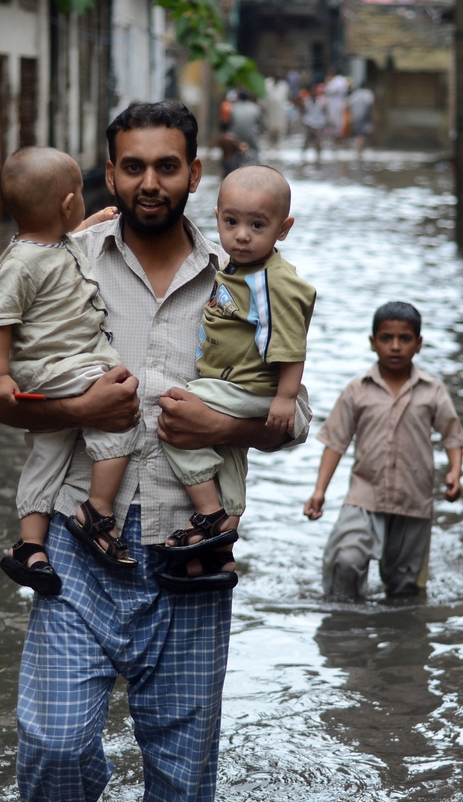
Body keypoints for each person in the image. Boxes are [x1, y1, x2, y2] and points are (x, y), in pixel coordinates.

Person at [0, 100, 312, 802]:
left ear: (196, 173)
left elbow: (296, 418)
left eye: (167, 166)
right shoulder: (63, 257)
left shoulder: (247, 272)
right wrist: (79, 404)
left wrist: (223, 428)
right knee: (55, 747)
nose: (149, 182)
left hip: (189, 556)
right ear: (108, 175)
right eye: (133, 167)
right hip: (78, 548)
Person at [156, 166, 314, 590]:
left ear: (284, 229)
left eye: (257, 225)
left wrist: (284, 398)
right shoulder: (233, 267)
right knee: (228, 452)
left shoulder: (276, 282)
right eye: (231, 222)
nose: (242, 235)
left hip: (248, 388)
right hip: (234, 386)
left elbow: (292, 344)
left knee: (175, 412)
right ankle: (221, 551)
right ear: (217, 217)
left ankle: (209, 514)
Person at [0, 148, 132, 595]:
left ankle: (30, 547)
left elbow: (66, 248)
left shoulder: (54, 243)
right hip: (58, 368)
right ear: (67, 204)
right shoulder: (20, 263)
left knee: (48, 454)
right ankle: (96, 511)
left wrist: (88, 227)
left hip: (61, 369)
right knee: (121, 408)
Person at [304, 301, 463, 602]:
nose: (395, 347)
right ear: (372, 342)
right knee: (346, 561)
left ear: (418, 344)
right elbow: (336, 442)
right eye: (386, 338)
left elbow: (452, 435)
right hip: (365, 495)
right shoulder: (357, 390)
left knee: (404, 586)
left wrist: (455, 472)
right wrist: (319, 491)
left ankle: (396, 636)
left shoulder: (432, 390)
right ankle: (348, 627)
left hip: (413, 499)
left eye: (404, 339)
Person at [216, 89, 263, 175]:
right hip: (251, 136)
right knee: (256, 153)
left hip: (236, 136)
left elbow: (230, 122)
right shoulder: (255, 108)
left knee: (234, 155)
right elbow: (260, 124)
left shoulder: (233, 107)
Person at [301, 84, 328, 162]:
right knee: (306, 140)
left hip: (319, 123)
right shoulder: (306, 100)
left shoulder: (321, 101)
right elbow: (303, 111)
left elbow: (325, 111)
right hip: (308, 122)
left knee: (318, 141)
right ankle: (303, 157)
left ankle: (319, 158)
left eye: (315, 92)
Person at [348, 82, 375, 158]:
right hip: (363, 117)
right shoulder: (368, 93)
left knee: (358, 134)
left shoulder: (354, 95)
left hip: (354, 117)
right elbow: (371, 106)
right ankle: (359, 152)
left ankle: (358, 151)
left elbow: (348, 105)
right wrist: (373, 117)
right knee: (362, 135)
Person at [323, 68, 350, 145]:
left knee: (336, 122)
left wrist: (328, 82)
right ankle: (336, 139)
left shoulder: (338, 80)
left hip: (336, 103)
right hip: (336, 103)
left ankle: (338, 140)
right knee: (335, 122)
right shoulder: (341, 80)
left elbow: (328, 90)